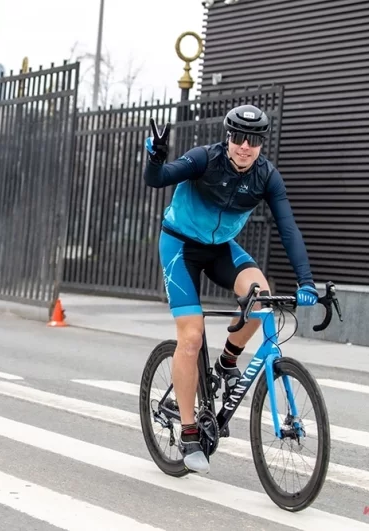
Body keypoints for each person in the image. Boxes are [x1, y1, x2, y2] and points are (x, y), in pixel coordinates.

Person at [143, 104, 319, 474]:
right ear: (228, 137)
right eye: (238, 137)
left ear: (260, 144)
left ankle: (226, 362)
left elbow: (288, 228)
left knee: (262, 296)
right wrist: (156, 159)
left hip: (221, 248)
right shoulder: (204, 159)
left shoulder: (267, 177)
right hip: (180, 247)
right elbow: (158, 179)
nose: (244, 146)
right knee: (190, 337)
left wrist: (306, 281)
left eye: (253, 140)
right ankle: (190, 433)